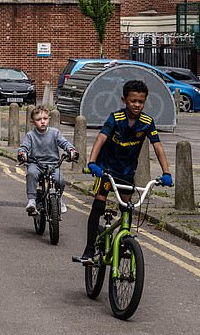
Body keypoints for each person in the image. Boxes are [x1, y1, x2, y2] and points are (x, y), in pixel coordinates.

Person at [74, 80, 172, 264]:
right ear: (124, 100)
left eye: (141, 101)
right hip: (106, 169)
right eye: (133, 100)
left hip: (126, 172)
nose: (137, 105)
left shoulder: (147, 122)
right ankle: (88, 249)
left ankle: (124, 243)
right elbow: (100, 138)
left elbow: (157, 146)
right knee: (99, 203)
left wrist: (166, 172)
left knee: (127, 207)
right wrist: (93, 162)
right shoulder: (115, 118)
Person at [17, 105, 78, 215]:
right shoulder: (30, 135)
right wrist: (22, 154)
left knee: (60, 180)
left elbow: (64, 143)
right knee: (31, 174)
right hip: (36, 163)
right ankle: (31, 201)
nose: (42, 122)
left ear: (49, 119)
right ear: (33, 122)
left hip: (53, 164)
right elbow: (24, 147)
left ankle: (58, 199)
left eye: (45, 118)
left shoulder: (55, 133)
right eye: (38, 119)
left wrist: (71, 150)